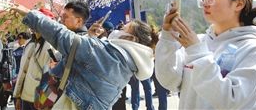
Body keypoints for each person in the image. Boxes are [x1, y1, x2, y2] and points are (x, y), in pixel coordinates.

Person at [155, 0, 256, 109]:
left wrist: (197, 53)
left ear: (239, 4)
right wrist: (168, 37)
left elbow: (230, 100)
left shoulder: (252, 48)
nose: (204, 3)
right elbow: (170, 81)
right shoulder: (199, 41)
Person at [22, 10, 158, 110]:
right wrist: (90, 38)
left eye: (123, 28)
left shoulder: (108, 53)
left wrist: (30, 14)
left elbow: (62, 36)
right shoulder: (126, 63)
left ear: (130, 39)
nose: (118, 30)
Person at [13, 8, 58, 110]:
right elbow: (22, 72)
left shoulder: (51, 45)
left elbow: (54, 75)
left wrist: (46, 102)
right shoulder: (30, 43)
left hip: (41, 99)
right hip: (26, 97)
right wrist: (18, 96)